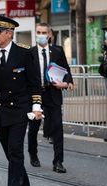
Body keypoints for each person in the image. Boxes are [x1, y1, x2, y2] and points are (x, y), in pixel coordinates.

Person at [0, 15, 42, 186]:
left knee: (16, 150)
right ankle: (24, 185)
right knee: (10, 153)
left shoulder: (24, 54)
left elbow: (34, 83)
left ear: (9, 33)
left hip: (19, 110)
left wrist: (36, 106)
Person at [27, 23, 74, 173]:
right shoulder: (29, 53)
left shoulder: (57, 51)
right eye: (38, 32)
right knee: (34, 127)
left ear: (49, 35)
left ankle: (58, 161)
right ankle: (33, 154)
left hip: (53, 93)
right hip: (36, 95)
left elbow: (66, 71)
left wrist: (67, 82)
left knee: (57, 128)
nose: (40, 35)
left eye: (43, 32)